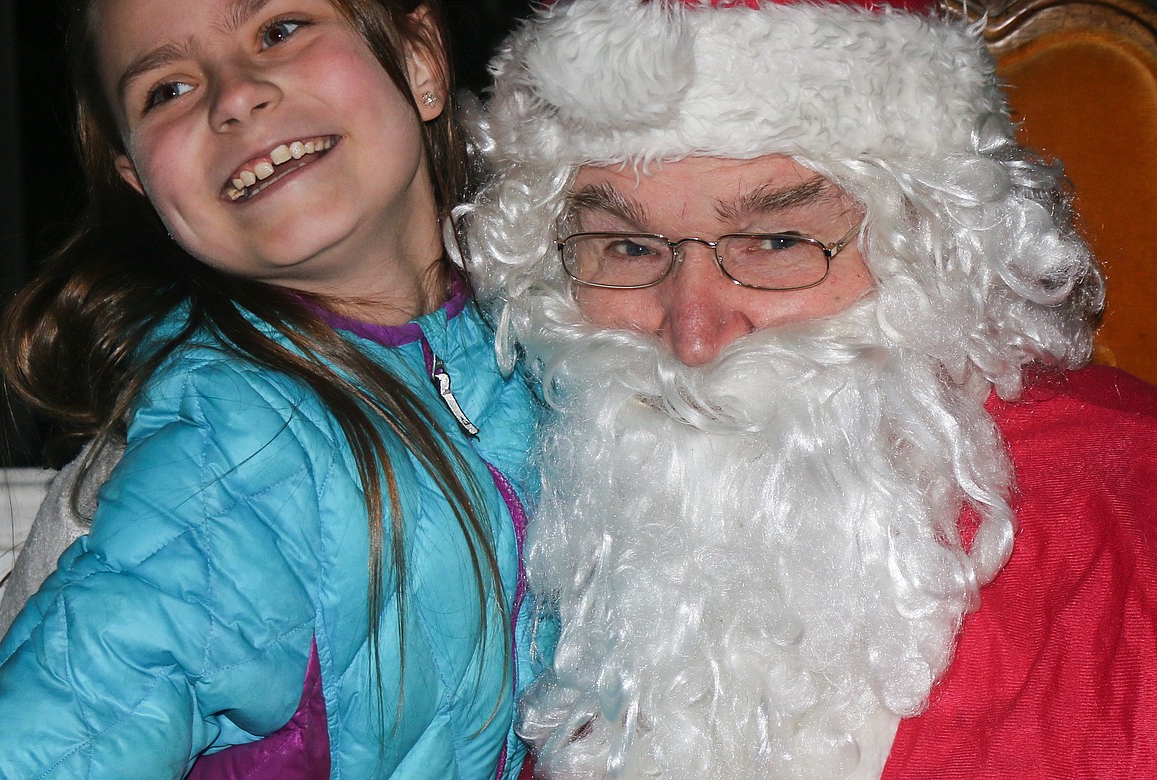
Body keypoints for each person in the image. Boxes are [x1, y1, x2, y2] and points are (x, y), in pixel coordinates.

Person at [461, 0, 1157, 777]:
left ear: (926, 241)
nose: (692, 337)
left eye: (778, 241)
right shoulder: (527, 497)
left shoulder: (1129, 522)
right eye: (628, 245)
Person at [0, 0, 543, 776]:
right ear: (140, 180)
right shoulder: (232, 454)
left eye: (279, 31)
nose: (234, 95)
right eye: (166, 90)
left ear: (420, 60)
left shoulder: (563, 339)